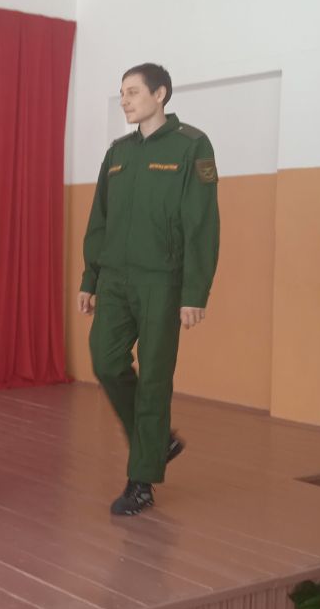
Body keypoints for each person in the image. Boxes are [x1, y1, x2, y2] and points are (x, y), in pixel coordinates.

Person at [78, 62, 219, 516]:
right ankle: (156, 442)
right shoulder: (118, 153)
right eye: (122, 92)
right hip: (116, 279)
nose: (125, 100)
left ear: (160, 95)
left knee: (155, 378)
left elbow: (201, 224)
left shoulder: (191, 146)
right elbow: (99, 218)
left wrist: (194, 292)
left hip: (162, 281)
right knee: (105, 360)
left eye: (133, 92)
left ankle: (141, 482)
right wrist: (90, 278)